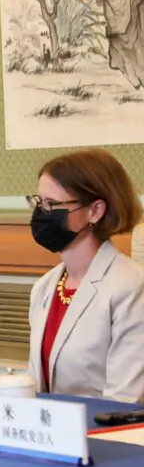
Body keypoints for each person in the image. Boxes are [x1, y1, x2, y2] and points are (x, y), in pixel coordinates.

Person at [27, 149, 144, 401]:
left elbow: (124, 402)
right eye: (38, 202)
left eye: (51, 204)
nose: (40, 213)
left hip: (104, 434)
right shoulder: (44, 287)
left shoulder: (132, 286)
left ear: (95, 211)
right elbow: (36, 386)